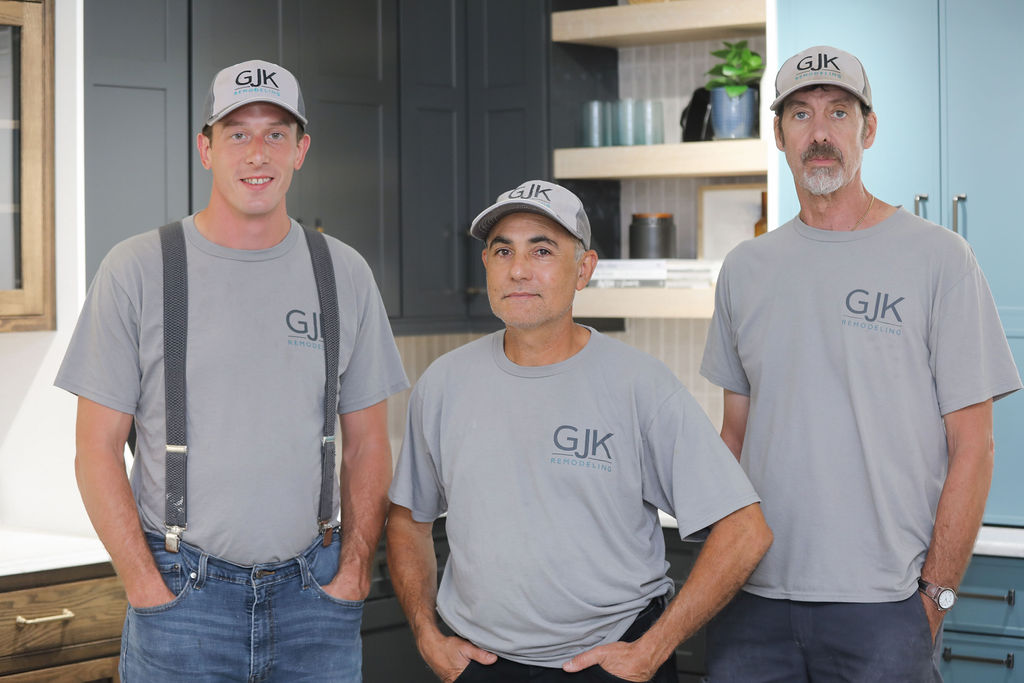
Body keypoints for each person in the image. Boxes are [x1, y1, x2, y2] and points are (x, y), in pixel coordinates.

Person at [55, 60, 408, 681]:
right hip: (181, 602)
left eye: (276, 133)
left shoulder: (343, 272)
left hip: (316, 598)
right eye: (237, 132)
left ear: (300, 150)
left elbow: (369, 442)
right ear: (205, 148)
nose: (257, 152)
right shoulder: (138, 268)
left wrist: (354, 571)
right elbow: (95, 449)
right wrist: (144, 587)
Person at [701, 45, 1023, 681]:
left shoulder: (940, 259)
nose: (820, 133)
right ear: (779, 134)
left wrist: (934, 600)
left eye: (838, 112)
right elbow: (733, 438)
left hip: (884, 609)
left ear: (867, 129)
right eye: (800, 114)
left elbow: (974, 448)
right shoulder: (746, 269)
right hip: (753, 604)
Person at [386, 179, 772, 683]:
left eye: (542, 250)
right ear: (487, 266)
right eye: (503, 251)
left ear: (584, 269)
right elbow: (407, 520)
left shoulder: (639, 385)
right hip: (479, 666)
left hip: (610, 665)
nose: (519, 269)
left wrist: (651, 650)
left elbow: (745, 530)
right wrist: (425, 633)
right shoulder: (444, 383)